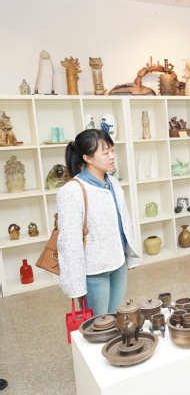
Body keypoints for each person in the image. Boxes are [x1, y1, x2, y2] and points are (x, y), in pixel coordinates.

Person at [56, 129, 140, 316]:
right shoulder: (72, 191)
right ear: (87, 158)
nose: (112, 156)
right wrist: (75, 285)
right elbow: (69, 242)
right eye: (105, 152)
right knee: (97, 325)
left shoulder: (114, 183)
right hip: (93, 272)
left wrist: (130, 255)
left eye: (112, 150)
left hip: (118, 263)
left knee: (116, 319)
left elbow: (123, 223)